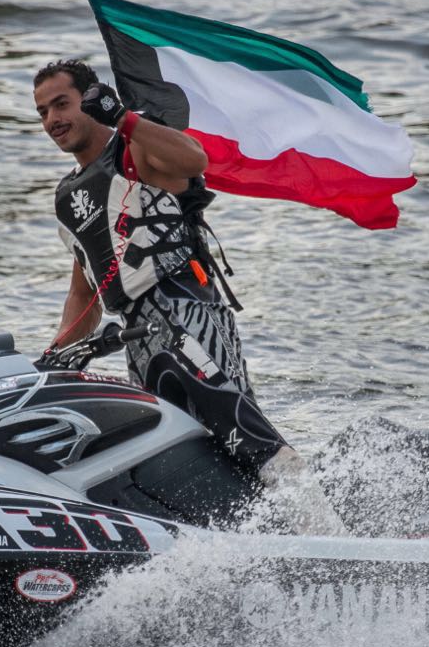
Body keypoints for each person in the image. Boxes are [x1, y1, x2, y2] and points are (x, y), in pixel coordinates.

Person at [32, 59, 341, 535]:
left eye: (61, 104)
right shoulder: (68, 196)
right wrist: (55, 357)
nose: (52, 119)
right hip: (138, 338)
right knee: (175, 451)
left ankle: (326, 534)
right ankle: (256, 536)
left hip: (186, 313)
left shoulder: (136, 149)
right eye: (42, 112)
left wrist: (124, 118)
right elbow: (83, 292)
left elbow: (194, 160)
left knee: (241, 432)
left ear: (91, 101)